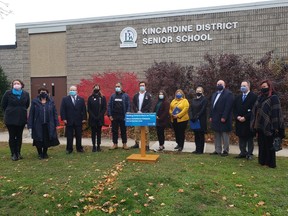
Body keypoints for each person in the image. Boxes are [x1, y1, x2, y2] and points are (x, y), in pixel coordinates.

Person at [250, 80, 285, 168]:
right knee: (261, 144)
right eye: (262, 87)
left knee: (269, 145)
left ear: (269, 87)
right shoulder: (260, 97)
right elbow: (256, 109)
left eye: (265, 87)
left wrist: (276, 127)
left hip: (270, 126)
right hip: (260, 125)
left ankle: (270, 163)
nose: (263, 88)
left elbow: (276, 113)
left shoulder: (274, 98)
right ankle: (262, 161)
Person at [1, 79, 30, 161]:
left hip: (21, 118)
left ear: (21, 85)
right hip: (10, 119)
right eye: (15, 83)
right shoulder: (8, 93)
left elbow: (27, 105)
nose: (16, 84)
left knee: (19, 136)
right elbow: (3, 105)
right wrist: (9, 111)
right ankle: (13, 153)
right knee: (12, 136)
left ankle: (18, 153)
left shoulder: (26, 94)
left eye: (18, 83)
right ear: (12, 85)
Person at [28, 87, 60, 159]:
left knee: (46, 139)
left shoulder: (51, 101)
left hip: (48, 124)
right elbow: (31, 114)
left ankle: (45, 153)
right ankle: (40, 153)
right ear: (39, 93)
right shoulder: (35, 102)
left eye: (45, 92)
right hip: (37, 124)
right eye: (41, 92)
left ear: (47, 93)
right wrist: (30, 125)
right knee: (38, 139)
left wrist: (56, 123)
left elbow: (54, 113)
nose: (43, 93)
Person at [209, 80, 234, 156]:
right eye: (218, 84)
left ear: (224, 85)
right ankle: (217, 150)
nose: (219, 85)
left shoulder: (228, 94)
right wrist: (210, 116)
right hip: (215, 118)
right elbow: (212, 106)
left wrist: (224, 116)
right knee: (217, 134)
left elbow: (228, 106)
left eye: (221, 84)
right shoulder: (214, 94)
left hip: (223, 118)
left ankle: (226, 150)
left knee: (224, 134)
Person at [233, 81, 257, 160]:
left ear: (248, 86)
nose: (242, 87)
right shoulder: (238, 97)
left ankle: (249, 153)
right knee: (241, 137)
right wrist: (237, 117)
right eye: (241, 85)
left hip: (249, 121)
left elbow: (254, 110)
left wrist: (245, 117)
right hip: (239, 121)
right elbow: (234, 109)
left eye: (244, 85)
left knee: (249, 138)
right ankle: (242, 152)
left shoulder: (253, 96)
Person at [60, 85, 87, 154]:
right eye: (71, 90)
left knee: (78, 135)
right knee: (69, 136)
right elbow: (62, 109)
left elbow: (83, 109)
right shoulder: (65, 99)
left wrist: (84, 118)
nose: (72, 91)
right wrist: (64, 118)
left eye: (73, 90)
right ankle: (69, 149)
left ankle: (79, 148)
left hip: (78, 120)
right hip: (69, 120)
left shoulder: (81, 99)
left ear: (76, 91)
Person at [107, 82, 130, 150]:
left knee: (123, 130)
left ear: (121, 87)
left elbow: (128, 105)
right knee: (114, 131)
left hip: (123, 116)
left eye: (118, 86)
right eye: (116, 86)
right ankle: (115, 144)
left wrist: (127, 114)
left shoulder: (125, 95)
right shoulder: (112, 96)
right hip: (114, 116)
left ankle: (124, 144)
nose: (117, 87)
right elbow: (109, 105)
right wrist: (110, 115)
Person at [131, 81, 152, 150]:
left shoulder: (148, 95)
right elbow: (133, 104)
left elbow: (149, 105)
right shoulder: (136, 95)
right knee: (136, 130)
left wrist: (142, 111)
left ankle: (147, 145)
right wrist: (137, 111)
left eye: (143, 85)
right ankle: (136, 143)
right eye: (140, 85)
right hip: (137, 115)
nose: (141, 87)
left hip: (145, 115)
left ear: (145, 86)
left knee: (146, 131)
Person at [87, 84, 107, 152]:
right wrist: (93, 116)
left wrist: (99, 116)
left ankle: (98, 146)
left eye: (98, 87)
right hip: (92, 119)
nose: (96, 89)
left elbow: (104, 108)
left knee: (98, 133)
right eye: (95, 87)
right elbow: (89, 109)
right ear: (93, 89)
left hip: (99, 119)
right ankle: (93, 146)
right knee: (93, 133)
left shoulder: (102, 98)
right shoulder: (90, 98)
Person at [189, 86, 208, 154]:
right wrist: (191, 116)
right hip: (194, 120)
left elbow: (203, 109)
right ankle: (197, 149)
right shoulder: (193, 99)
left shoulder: (204, 99)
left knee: (201, 135)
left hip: (200, 120)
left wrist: (197, 116)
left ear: (202, 92)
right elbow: (190, 109)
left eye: (199, 91)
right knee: (196, 135)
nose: (198, 92)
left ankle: (200, 150)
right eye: (197, 91)